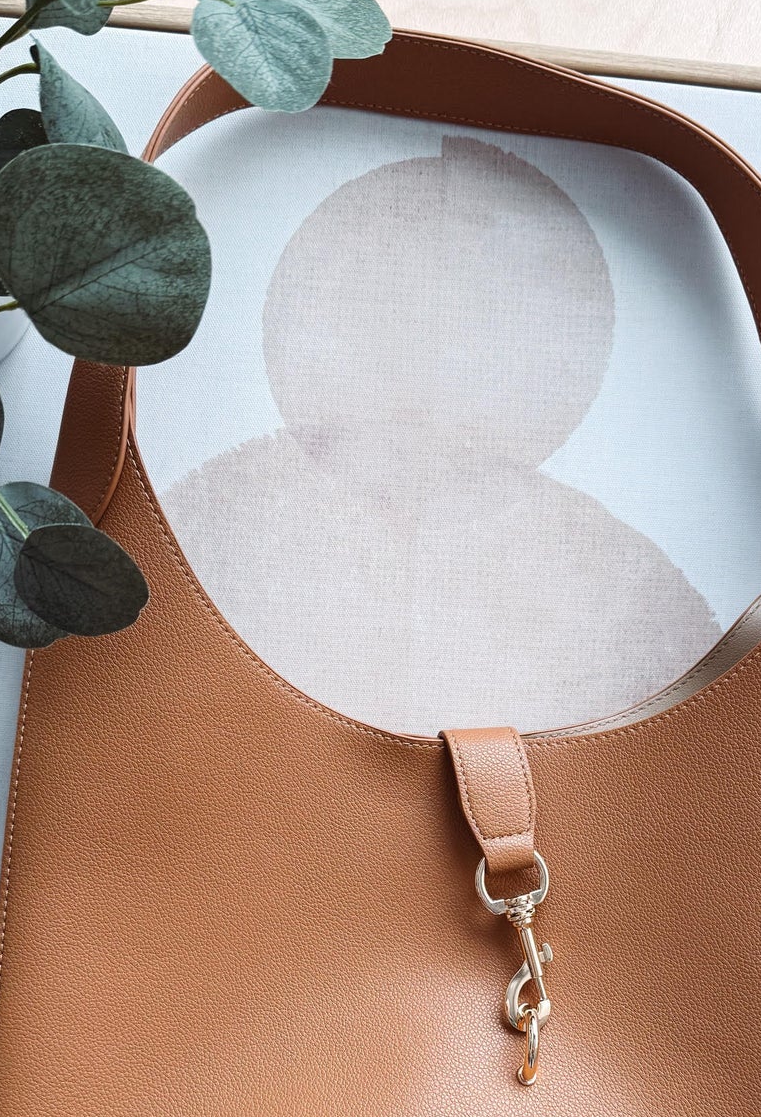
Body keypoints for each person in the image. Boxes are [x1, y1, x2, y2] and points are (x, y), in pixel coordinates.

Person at [160, 135, 718, 733]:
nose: (427, 356)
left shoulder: (606, 563)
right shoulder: (222, 511)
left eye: (479, 323)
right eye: (384, 309)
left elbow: (700, 748)